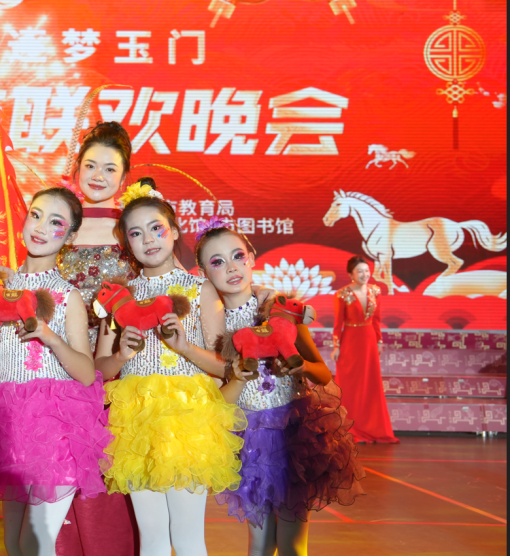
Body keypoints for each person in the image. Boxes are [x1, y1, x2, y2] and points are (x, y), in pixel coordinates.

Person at [94, 179, 243, 556]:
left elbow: (225, 367)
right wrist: (121, 356)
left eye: (156, 228)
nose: (148, 239)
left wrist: (184, 347)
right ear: (127, 244)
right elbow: (100, 369)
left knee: (188, 538)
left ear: (174, 231)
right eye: (136, 233)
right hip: (135, 423)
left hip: (188, 422)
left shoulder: (199, 289)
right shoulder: (118, 296)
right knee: (152, 539)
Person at [0, 187, 112, 556]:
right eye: (36, 215)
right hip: (8, 425)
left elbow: (86, 373)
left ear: (70, 236)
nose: (42, 227)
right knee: (14, 544)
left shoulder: (67, 297)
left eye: (56, 222)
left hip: (57, 429)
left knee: (36, 541)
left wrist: (51, 338)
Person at [200, 222, 363, 556]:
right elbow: (219, 402)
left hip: (294, 437)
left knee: (291, 544)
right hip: (249, 444)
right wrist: (237, 378)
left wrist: (302, 367)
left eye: (237, 256)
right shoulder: (214, 330)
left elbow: (323, 374)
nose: (231, 267)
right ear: (204, 273)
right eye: (217, 262)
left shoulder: (281, 311)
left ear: (251, 257)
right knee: (260, 544)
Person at [55, 121, 138, 556]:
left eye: (110, 169)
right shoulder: (59, 223)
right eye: (90, 165)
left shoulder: (135, 229)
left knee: (108, 476)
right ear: (76, 169)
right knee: (59, 474)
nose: (98, 176)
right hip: (60, 365)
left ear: (125, 177)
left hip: (118, 369)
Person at [332, 255, 398, 444]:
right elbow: (338, 323)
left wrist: (379, 341)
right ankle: (349, 426)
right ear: (351, 274)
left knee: (370, 384)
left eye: (367, 271)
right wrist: (336, 346)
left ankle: (373, 427)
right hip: (350, 341)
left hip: (369, 340)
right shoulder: (342, 294)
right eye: (359, 271)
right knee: (350, 385)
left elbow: (377, 319)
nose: (364, 274)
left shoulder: (375, 291)